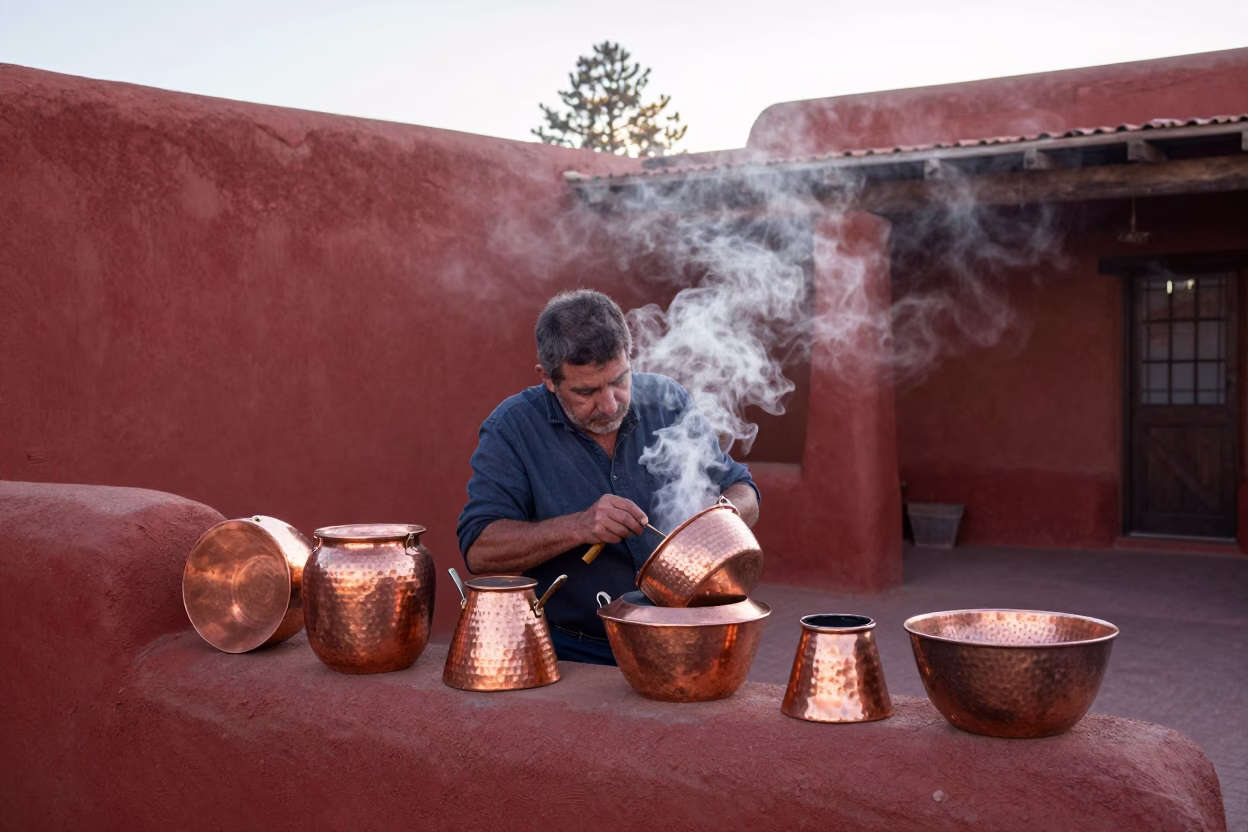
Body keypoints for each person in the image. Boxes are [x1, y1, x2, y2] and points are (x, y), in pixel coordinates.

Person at [456, 289, 760, 665]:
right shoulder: (512, 429)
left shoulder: (667, 401)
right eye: (587, 391)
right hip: (575, 652)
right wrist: (580, 526)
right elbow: (479, 548)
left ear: (629, 359)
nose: (610, 404)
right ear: (548, 379)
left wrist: (716, 523)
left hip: (684, 634)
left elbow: (742, 488)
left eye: (619, 381)